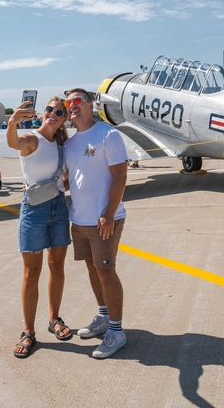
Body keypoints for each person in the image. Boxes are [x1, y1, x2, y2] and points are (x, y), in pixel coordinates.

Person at [63, 88, 129, 359]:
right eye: (68, 102)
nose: (72, 106)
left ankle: (116, 331)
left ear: (91, 105)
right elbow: (71, 178)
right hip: (79, 219)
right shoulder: (69, 143)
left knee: (106, 272)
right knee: (92, 268)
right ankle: (103, 317)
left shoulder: (107, 134)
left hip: (104, 218)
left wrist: (109, 213)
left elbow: (120, 176)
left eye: (78, 101)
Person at [6, 97, 72, 359]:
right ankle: (28, 331)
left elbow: (66, 177)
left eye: (59, 112)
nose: (52, 114)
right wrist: (12, 121)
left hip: (58, 208)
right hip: (34, 210)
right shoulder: (32, 139)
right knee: (31, 273)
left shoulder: (63, 144)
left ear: (64, 118)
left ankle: (54, 319)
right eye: (49, 109)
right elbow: (13, 143)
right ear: (43, 113)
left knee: (57, 266)